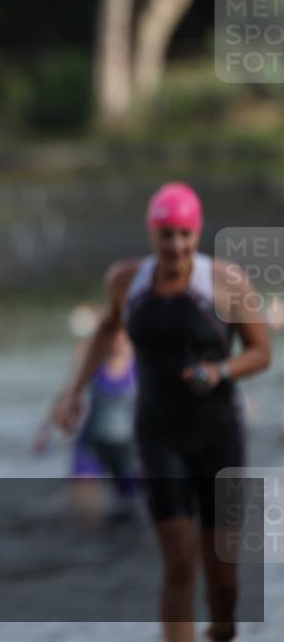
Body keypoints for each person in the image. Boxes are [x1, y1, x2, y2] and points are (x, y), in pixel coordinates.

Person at [52, 182, 271, 642]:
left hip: (219, 436)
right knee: (178, 563)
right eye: (166, 234)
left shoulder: (226, 281)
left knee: (222, 573)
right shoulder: (126, 281)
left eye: (185, 234)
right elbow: (104, 332)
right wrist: (73, 392)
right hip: (158, 435)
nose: (176, 245)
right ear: (151, 232)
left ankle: (223, 629)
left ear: (198, 231)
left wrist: (220, 370)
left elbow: (261, 352)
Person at [36, 327, 138, 524]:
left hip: (126, 449)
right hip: (91, 444)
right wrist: (45, 432)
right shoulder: (95, 364)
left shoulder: (140, 367)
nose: (118, 343)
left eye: (123, 338)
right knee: (83, 510)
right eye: (114, 338)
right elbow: (66, 395)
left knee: (129, 510)